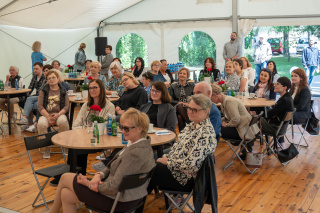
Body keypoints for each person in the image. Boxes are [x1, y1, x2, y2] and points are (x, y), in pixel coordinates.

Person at [49, 108, 155, 213]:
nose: (123, 131)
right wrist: (99, 175)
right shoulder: (142, 145)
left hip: (118, 200)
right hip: (125, 197)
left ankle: (52, 212)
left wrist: (88, 183)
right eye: (121, 127)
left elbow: (113, 187)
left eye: (126, 128)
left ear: (140, 128)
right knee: (66, 194)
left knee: (65, 177)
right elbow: (111, 167)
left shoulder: (134, 154)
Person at [148, 94, 217, 192]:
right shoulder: (192, 125)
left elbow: (191, 164)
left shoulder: (205, 134)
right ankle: (137, 200)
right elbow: (178, 148)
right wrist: (167, 157)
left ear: (206, 111)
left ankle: (134, 203)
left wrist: (168, 161)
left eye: (195, 110)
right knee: (148, 164)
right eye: (189, 108)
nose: (190, 112)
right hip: (178, 170)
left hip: (186, 179)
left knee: (149, 169)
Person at [72, 79, 115, 175]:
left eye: (95, 87)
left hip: (99, 139)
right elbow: (75, 125)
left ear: (101, 89)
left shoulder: (109, 106)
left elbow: (104, 128)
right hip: (84, 137)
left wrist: (87, 131)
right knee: (73, 144)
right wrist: (85, 132)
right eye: (90, 88)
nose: (92, 90)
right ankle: (71, 172)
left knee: (78, 147)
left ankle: (79, 174)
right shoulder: (86, 105)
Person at [211, 83, 259, 158]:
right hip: (245, 128)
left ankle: (211, 153)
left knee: (216, 130)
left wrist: (226, 125)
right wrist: (220, 121)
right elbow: (228, 117)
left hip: (243, 130)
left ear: (214, 95)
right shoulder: (225, 100)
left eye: (211, 98)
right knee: (217, 127)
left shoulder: (228, 101)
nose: (211, 101)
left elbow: (236, 119)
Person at [37, 69, 70, 158]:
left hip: (59, 114)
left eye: (53, 77)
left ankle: (66, 145)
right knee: (41, 124)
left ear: (58, 79)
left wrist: (58, 114)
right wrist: (48, 117)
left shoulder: (63, 90)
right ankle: (46, 147)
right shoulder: (43, 91)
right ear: (47, 80)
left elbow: (67, 106)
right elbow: (40, 106)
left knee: (63, 121)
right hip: (46, 114)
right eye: (49, 78)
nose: (51, 79)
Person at [261, 77, 294, 149]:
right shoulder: (288, 97)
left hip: (275, 128)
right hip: (280, 128)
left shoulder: (284, 101)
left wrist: (269, 114)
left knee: (251, 122)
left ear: (285, 87)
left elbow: (269, 114)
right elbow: (272, 113)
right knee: (255, 120)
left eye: (278, 84)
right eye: (275, 83)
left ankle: (247, 149)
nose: (275, 85)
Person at [18, 62, 46, 129]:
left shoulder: (45, 77)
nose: (35, 70)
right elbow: (30, 88)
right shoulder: (34, 77)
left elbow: (41, 92)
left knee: (29, 100)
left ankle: (25, 119)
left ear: (41, 68)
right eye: (34, 69)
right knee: (26, 102)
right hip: (36, 97)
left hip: (43, 96)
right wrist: (26, 98)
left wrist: (28, 99)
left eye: (37, 69)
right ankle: (30, 124)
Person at [170, 67, 195, 131]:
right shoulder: (173, 86)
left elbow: (195, 97)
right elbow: (170, 99)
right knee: (180, 106)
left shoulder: (192, 85)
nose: (182, 75)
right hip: (177, 106)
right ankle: (193, 125)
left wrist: (189, 103)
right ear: (178, 75)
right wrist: (178, 102)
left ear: (187, 76)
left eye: (184, 74)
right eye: (180, 73)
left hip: (189, 105)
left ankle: (183, 136)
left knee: (180, 117)